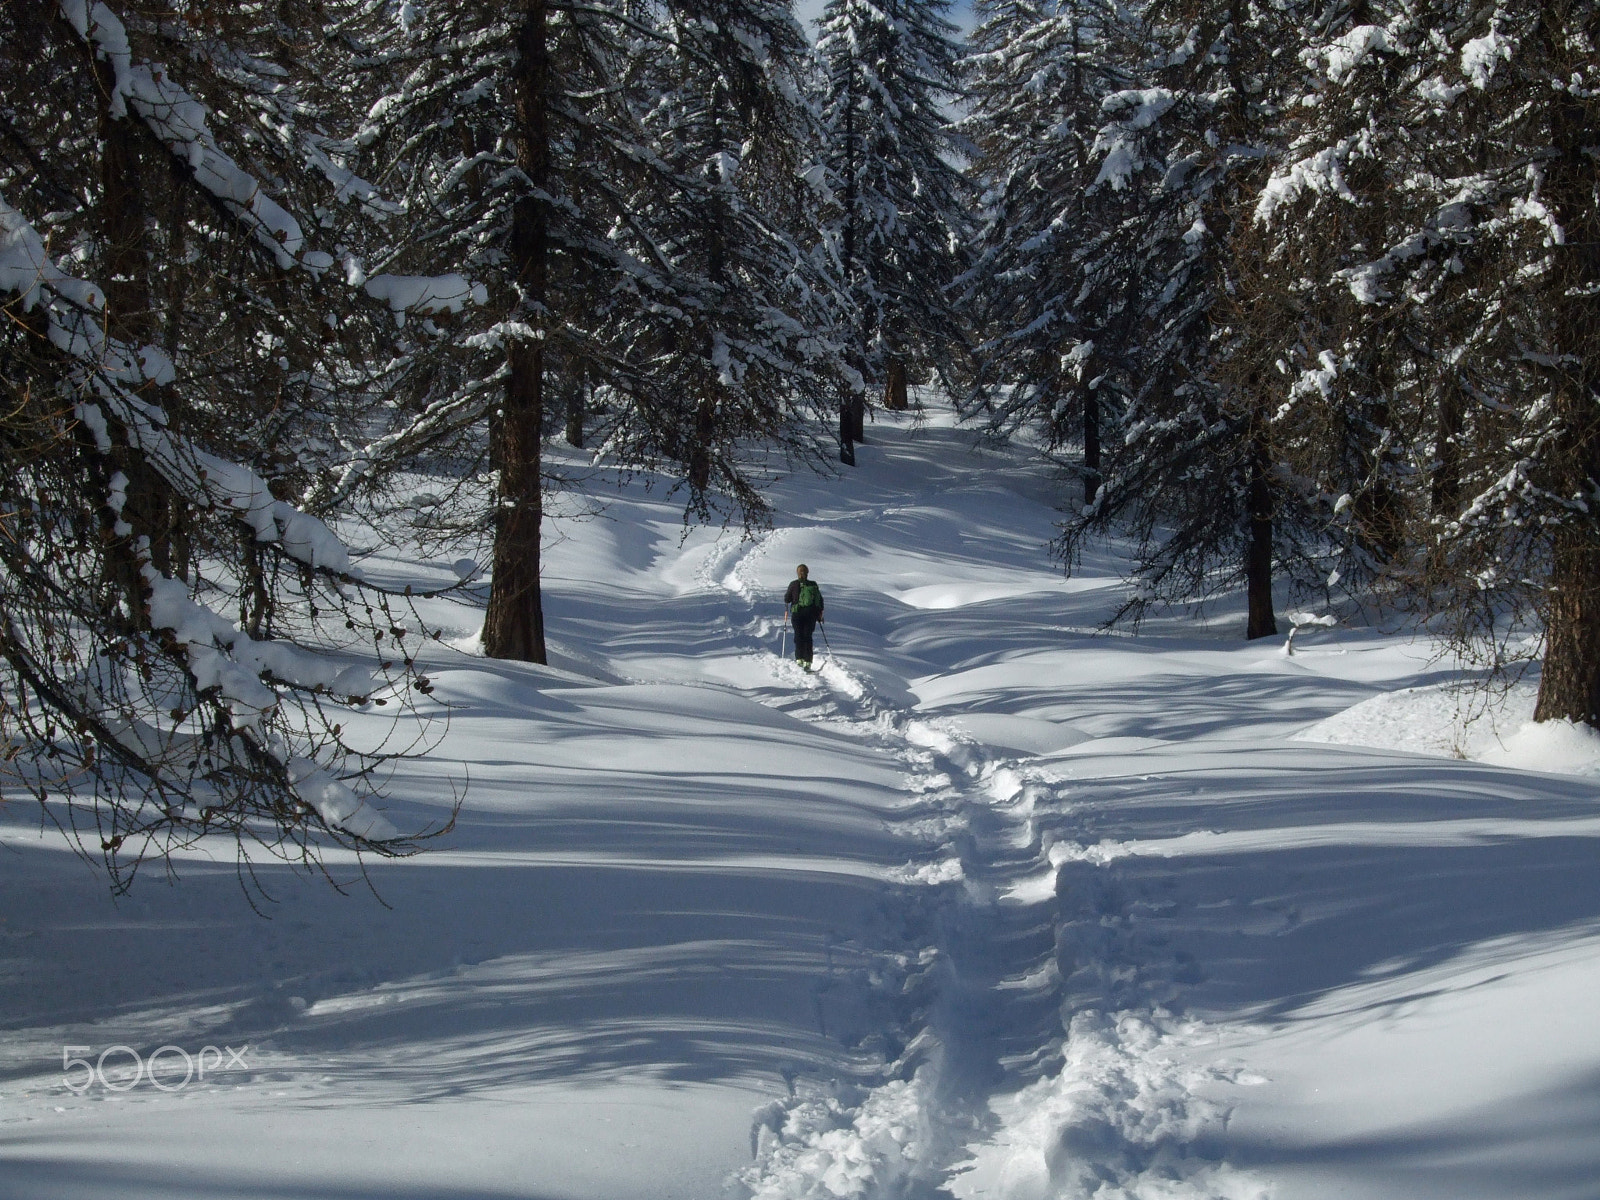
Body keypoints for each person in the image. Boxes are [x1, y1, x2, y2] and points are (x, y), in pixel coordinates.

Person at [784, 564, 824, 670]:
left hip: (798, 613)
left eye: (802, 572)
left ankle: (800, 658)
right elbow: (820, 600)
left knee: (799, 636)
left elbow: (787, 599)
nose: (802, 573)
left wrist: (788, 598)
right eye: (801, 572)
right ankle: (807, 660)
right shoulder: (813, 584)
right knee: (807, 636)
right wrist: (820, 614)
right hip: (810, 614)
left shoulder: (793, 584)